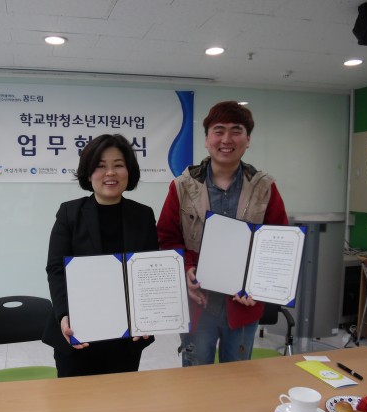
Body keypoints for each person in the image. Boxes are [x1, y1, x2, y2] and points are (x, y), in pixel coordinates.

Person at [157, 101, 289, 365]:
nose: (226, 139)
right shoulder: (182, 186)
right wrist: (187, 268)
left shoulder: (264, 188)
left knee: (238, 376)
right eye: (219, 131)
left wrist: (258, 284)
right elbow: (166, 238)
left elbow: (279, 244)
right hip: (198, 301)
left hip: (243, 304)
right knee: (197, 374)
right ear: (207, 139)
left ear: (248, 140)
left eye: (236, 131)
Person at [42, 133, 158, 377]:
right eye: (101, 166)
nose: (110, 173)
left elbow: (150, 271)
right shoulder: (69, 213)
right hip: (77, 332)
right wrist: (64, 315)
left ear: (129, 171)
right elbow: (56, 269)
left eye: (118, 165)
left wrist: (149, 316)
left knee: (121, 398)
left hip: (125, 338)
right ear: (88, 173)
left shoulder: (143, 215)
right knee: (75, 399)